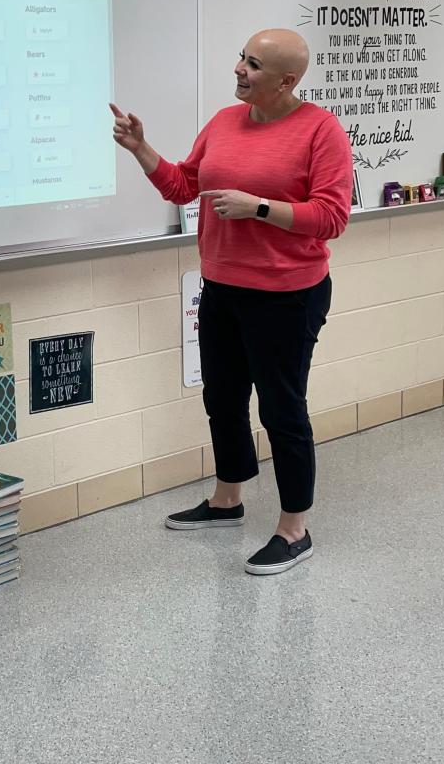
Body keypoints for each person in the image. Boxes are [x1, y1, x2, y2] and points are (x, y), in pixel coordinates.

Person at [110, 29, 352, 576]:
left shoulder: (321, 130)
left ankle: (295, 528)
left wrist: (261, 208)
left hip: (288, 295)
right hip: (222, 287)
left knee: (282, 409)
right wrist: (141, 149)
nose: (239, 69)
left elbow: (332, 218)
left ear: (288, 81)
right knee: (222, 398)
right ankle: (227, 500)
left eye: (255, 64)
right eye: (241, 57)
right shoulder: (223, 121)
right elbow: (181, 186)